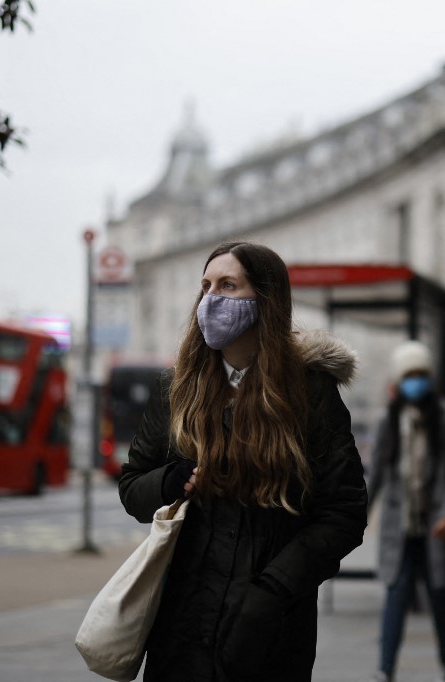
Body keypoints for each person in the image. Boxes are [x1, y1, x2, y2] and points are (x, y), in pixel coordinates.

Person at [118, 241, 369, 682]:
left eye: (228, 285)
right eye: (206, 286)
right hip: (181, 624)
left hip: (269, 628)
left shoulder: (310, 394)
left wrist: (272, 590)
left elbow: (343, 514)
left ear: (266, 299)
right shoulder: (177, 390)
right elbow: (132, 487)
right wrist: (168, 481)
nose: (211, 298)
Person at [365, 340, 445, 682]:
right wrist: (357, 515)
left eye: (421, 374)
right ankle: (385, 669)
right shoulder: (388, 420)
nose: (416, 381)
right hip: (400, 525)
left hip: (435, 525)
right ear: (399, 378)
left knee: (439, 596)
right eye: (409, 375)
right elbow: (377, 471)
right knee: (396, 595)